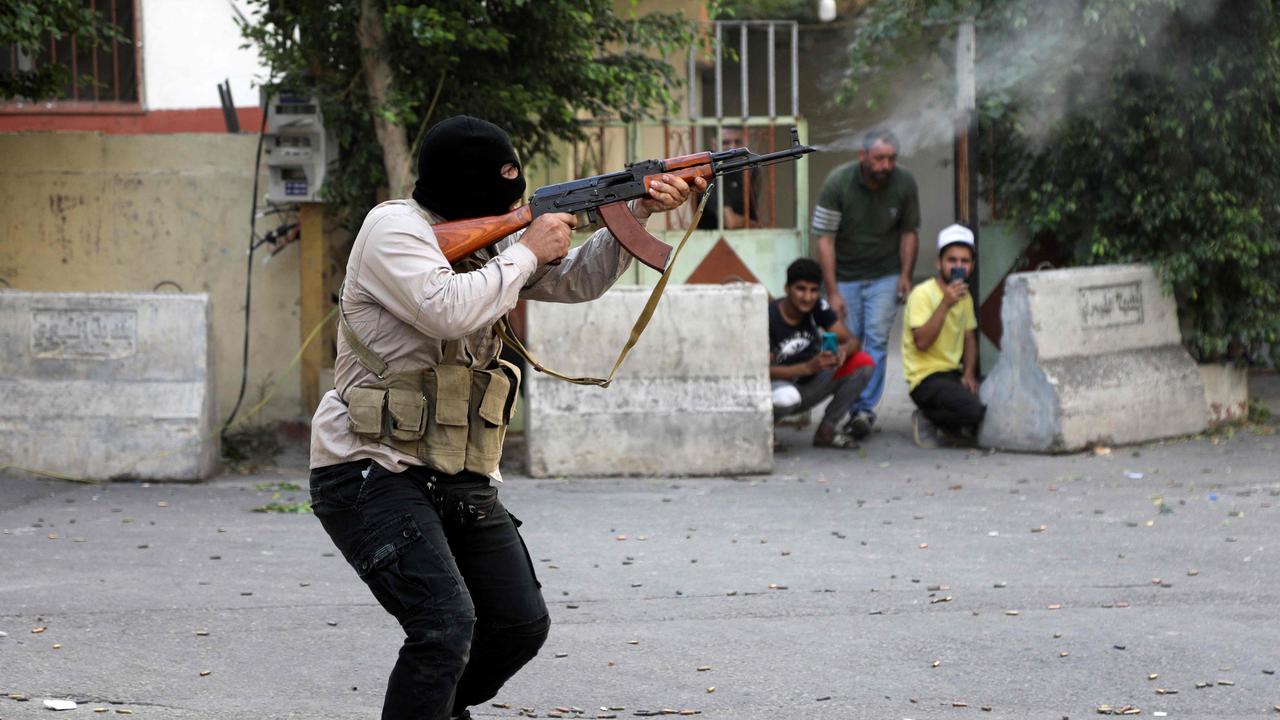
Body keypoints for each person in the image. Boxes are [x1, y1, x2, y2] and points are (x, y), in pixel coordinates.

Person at [307, 115, 703, 720]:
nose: (516, 200)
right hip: (370, 466)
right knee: (443, 627)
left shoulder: (494, 243)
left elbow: (575, 281)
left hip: (455, 465)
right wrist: (522, 251)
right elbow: (447, 310)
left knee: (519, 625)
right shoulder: (392, 228)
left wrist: (638, 213)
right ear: (468, 189)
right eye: (505, 188)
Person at [811, 127, 920, 441]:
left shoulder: (905, 183)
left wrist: (905, 275)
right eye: (879, 158)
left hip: (886, 273)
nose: (886, 165)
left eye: (891, 159)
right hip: (844, 276)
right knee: (846, 340)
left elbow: (909, 232)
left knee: (875, 339)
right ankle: (839, 406)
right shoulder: (837, 183)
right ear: (863, 156)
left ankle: (863, 411)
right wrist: (831, 292)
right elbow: (825, 240)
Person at [769, 258, 875, 449]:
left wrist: (842, 350)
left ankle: (827, 431)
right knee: (787, 397)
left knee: (864, 362)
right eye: (801, 289)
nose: (807, 297)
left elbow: (852, 341)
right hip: (778, 391)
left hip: (810, 384)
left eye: (813, 290)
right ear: (787, 288)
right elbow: (761, 372)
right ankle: (764, 432)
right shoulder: (769, 316)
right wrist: (807, 367)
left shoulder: (818, 307)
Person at [901, 224, 985, 448]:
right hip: (925, 378)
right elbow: (922, 342)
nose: (958, 266)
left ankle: (952, 423)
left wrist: (968, 373)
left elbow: (969, 338)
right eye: (952, 260)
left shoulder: (964, 297)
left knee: (994, 397)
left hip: (952, 374)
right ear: (939, 263)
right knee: (974, 412)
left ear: (972, 266)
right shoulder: (922, 294)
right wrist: (945, 303)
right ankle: (927, 418)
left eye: (964, 261)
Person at [696, 126, 759, 230]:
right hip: (714, 242)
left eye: (738, 142)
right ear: (714, 144)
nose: (732, 148)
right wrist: (756, 225)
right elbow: (730, 221)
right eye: (725, 142)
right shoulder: (707, 173)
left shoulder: (749, 171)